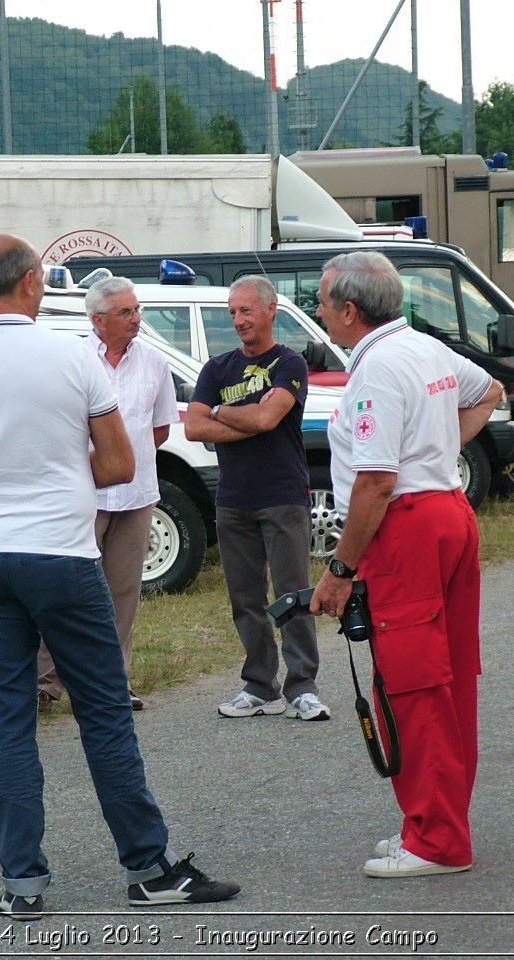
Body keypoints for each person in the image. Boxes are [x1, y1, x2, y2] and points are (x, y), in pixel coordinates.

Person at [0, 233, 239, 920]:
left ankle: (22, 883)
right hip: (60, 552)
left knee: (7, 719)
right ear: (31, 281)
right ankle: (147, 866)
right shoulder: (71, 354)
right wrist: (50, 475)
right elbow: (120, 466)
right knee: (104, 713)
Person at [308, 251, 502, 878]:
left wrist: (339, 570)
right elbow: (488, 391)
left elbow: (376, 482)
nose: (317, 311)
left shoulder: (377, 368)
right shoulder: (420, 346)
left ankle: (438, 840)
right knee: (447, 681)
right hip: (447, 510)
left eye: (322, 300)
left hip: (410, 528)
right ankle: (433, 823)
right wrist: (440, 449)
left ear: (349, 310)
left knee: (412, 685)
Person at [184, 275, 328, 722]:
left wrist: (221, 412)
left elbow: (268, 418)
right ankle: (259, 686)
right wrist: (239, 415)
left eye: (246, 311)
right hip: (233, 499)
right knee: (244, 598)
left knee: (292, 594)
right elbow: (193, 427)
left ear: (271, 310)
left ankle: (302, 687)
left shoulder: (291, 364)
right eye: (232, 313)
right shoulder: (216, 368)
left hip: (282, 495)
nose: (239, 320)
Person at [36, 277, 175, 713]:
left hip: (136, 495)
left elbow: (160, 429)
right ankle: (44, 682)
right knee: (63, 587)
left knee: (122, 592)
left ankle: (110, 683)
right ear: (97, 320)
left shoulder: (155, 361)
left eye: (136, 310)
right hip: (82, 493)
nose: (137, 319)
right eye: (126, 313)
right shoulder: (73, 360)